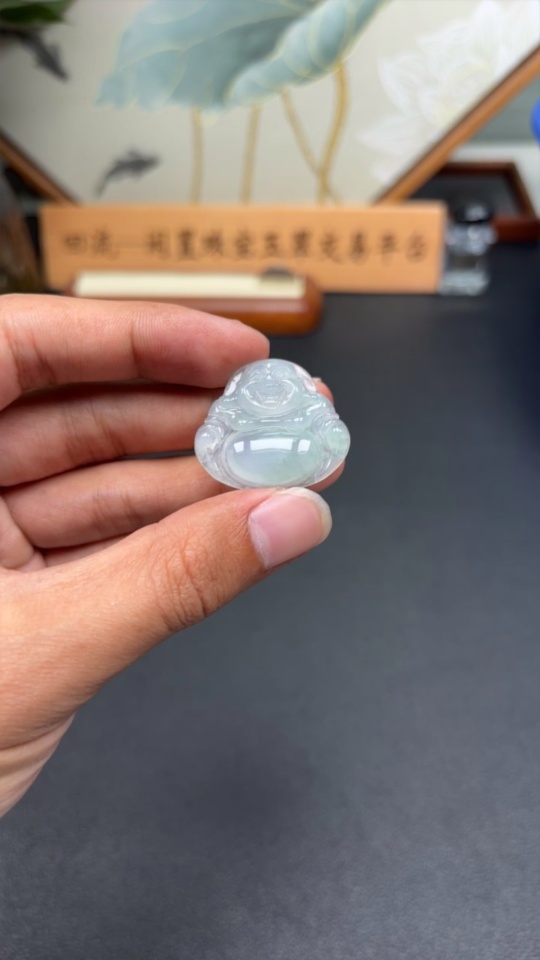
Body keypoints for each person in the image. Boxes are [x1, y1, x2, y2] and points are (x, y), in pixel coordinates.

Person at [0, 295, 342, 817]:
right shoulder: (232, 411)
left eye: (280, 386)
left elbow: (328, 434)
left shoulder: (309, 412)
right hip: (245, 452)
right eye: (262, 386)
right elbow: (213, 438)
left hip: (287, 448)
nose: (270, 390)